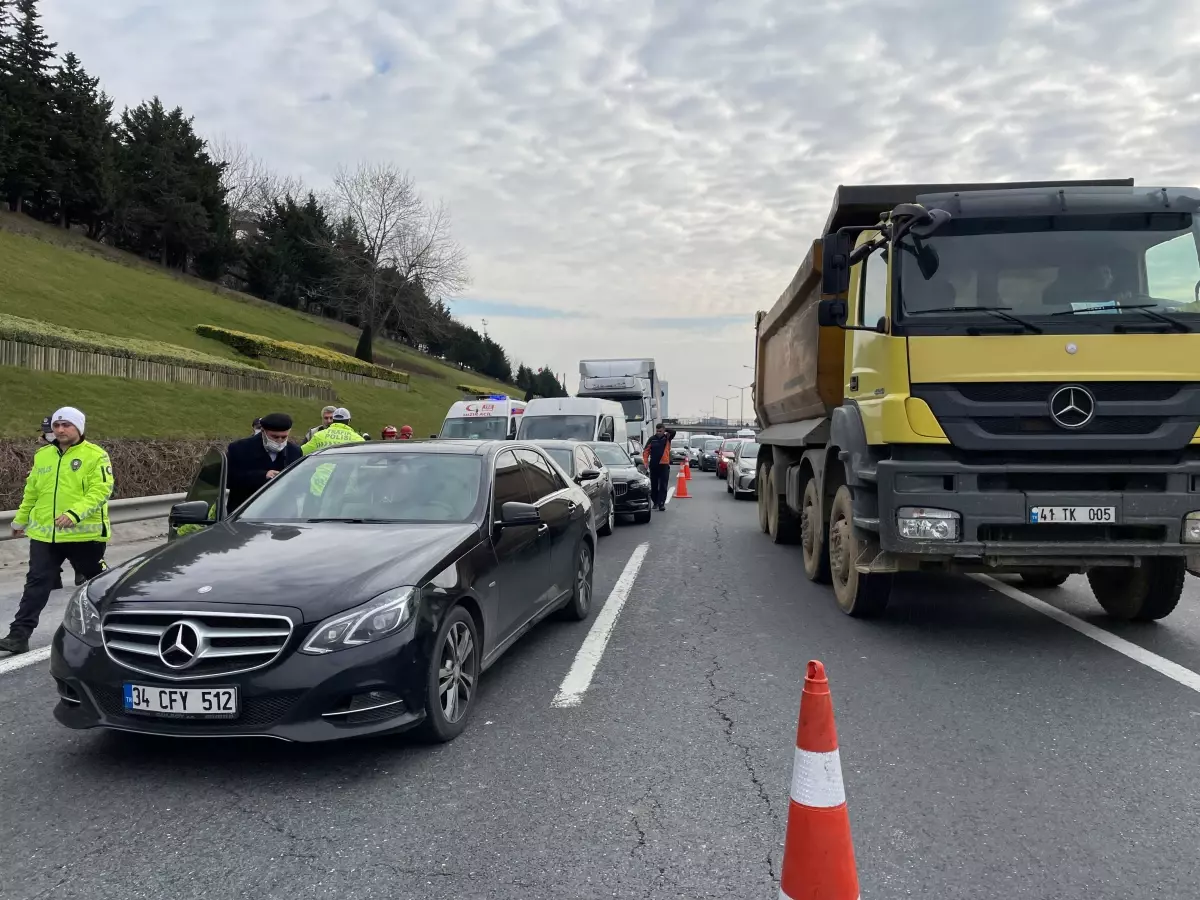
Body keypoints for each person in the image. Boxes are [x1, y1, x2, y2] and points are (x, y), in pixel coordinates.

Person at [0, 407, 113, 655]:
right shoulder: (43, 456)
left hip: (84, 536)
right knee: (36, 583)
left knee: (99, 585)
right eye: (57, 425)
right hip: (45, 536)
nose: (60, 430)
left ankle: (115, 627)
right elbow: (32, 492)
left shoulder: (96, 455)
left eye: (66, 425)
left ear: (79, 428)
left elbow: (101, 490)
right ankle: (18, 635)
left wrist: (74, 514)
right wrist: (20, 521)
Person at [226, 412, 302, 510]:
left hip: (283, 512)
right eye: (274, 437)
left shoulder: (294, 451)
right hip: (245, 511)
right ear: (263, 431)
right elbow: (230, 479)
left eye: (284, 437)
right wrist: (264, 476)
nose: (279, 441)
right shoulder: (239, 448)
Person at [642, 422, 677, 511]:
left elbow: (673, 431)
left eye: (660, 431)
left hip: (664, 465)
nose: (658, 432)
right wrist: (645, 462)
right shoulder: (652, 439)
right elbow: (646, 451)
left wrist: (666, 430)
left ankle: (662, 503)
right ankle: (655, 502)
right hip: (654, 465)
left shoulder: (667, 438)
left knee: (663, 485)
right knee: (654, 485)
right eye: (657, 431)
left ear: (663, 431)